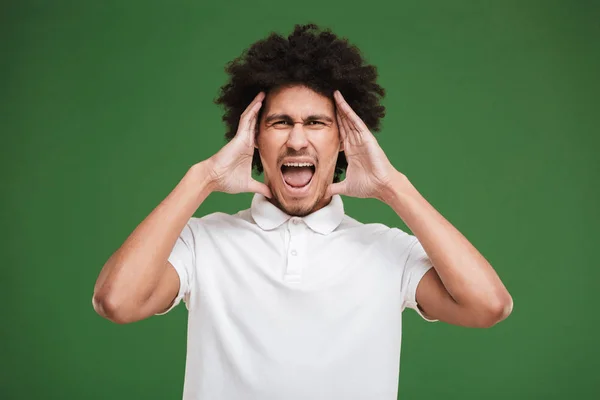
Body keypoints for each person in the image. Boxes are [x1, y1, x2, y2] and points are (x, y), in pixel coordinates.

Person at [92, 24, 513, 400]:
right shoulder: (203, 241)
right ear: (254, 138)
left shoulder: (387, 250)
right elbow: (117, 301)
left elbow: (488, 305)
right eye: (279, 123)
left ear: (344, 140)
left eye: (316, 123)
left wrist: (393, 188)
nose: (297, 141)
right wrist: (203, 178)